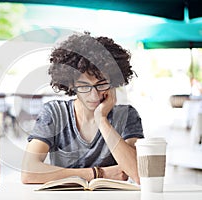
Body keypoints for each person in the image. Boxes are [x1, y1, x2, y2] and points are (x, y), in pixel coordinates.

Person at [21, 32, 144, 185]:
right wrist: (99, 173)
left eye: (101, 84)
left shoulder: (126, 115)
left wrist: (102, 120)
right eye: (85, 86)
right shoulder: (55, 113)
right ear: (71, 84)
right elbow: (29, 173)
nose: (94, 95)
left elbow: (138, 173)